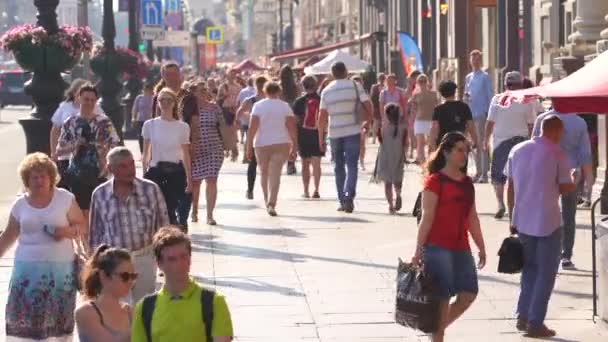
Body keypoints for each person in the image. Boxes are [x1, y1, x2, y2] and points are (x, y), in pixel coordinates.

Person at [1, 153, 86, 341]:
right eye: (34, 176)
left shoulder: (65, 198)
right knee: (24, 319)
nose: (39, 180)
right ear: (26, 179)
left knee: (57, 321)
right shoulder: (20, 204)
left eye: (43, 175)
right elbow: (9, 235)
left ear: (51, 177)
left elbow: (81, 225)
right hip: (27, 272)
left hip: (59, 272)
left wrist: (64, 232)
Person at [411, 132, 486, 342]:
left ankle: (434, 327)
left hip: (461, 246)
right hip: (436, 247)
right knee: (442, 299)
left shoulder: (467, 183)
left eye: (466, 150)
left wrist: (481, 246)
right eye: (459, 150)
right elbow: (426, 218)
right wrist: (418, 251)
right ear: (446, 152)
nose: (464, 155)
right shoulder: (435, 181)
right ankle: (437, 335)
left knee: (468, 294)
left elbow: (472, 218)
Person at [506, 115, 575, 338]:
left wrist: (511, 215)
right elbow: (565, 188)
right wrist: (574, 178)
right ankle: (535, 322)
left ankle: (523, 315)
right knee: (546, 274)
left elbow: (510, 185)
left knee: (529, 270)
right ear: (556, 131)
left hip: (523, 219)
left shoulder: (518, 149)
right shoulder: (557, 153)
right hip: (548, 221)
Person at [89, 147, 169, 304]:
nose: (129, 170)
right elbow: (95, 234)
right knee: (118, 307)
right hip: (114, 262)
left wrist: (164, 260)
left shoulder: (150, 189)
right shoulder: (100, 194)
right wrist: (95, 266)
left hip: (144, 258)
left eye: (131, 164)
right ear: (111, 169)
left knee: (144, 306)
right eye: (122, 166)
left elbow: (163, 227)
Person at [131, 227, 234, 342]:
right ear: (159, 264)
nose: (180, 264)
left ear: (190, 260)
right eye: (172, 259)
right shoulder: (144, 308)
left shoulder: (214, 302)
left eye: (184, 257)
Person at [532, 109, 592, 270]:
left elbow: (534, 147)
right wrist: (589, 188)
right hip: (570, 173)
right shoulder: (579, 122)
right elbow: (585, 155)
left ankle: (544, 252)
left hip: (546, 172)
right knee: (568, 216)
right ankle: (566, 255)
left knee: (544, 213)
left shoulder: (542, 119)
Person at [56, 84, 120, 217]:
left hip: (100, 172)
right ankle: (85, 238)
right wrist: (74, 145)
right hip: (77, 173)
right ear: (79, 98)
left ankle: (92, 237)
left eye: (92, 100)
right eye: (86, 99)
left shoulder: (104, 122)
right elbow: (59, 150)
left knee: (98, 211)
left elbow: (115, 145)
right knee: (82, 212)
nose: (89, 103)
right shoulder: (71, 122)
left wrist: (105, 152)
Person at [318, 62, 372, 213]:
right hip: (353, 130)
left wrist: (320, 138)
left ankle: (342, 200)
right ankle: (349, 196)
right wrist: (368, 121)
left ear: (332, 73)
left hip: (334, 133)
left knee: (338, 167)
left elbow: (322, 117)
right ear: (346, 71)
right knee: (352, 165)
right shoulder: (355, 86)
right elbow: (368, 104)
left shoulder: (326, 90)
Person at [484, 71, 536, 219]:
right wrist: (532, 141)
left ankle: (501, 204)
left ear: (505, 84)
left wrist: (485, 140)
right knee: (519, 177)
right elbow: (531, 124)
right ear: (521, 84)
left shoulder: (497, 99)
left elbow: (490, 122)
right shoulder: (526, 101)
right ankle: (518, 206)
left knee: (498, 176)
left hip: (501, 143)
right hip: (521, 142)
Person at [246, 82, 298, 216]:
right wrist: (295, 146)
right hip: (282, 142)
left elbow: (252, 128)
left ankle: (266, 199)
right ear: (279, 91)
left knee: (263, 172)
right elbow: (292, 128)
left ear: (264, 91)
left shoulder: (258, 106)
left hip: (262, 143)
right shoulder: (285, 106)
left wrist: (248, 147)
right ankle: (272, 202)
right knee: (275, 173)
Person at [143, 88, 192, 230]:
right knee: (158, 208)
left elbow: (185, 154)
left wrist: (189, 178)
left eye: (168, 100)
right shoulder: (150, 125)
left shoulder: (182, 127)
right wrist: (143, 174)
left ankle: (176, 230)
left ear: (174, 103)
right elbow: (146, 152)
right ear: (157, 103)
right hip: (156, 171)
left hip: (175, 171)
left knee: (173, 207)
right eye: (161, 100)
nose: (165, 103)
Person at [75, 245, 136, 342]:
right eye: (125, 276)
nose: (130, 281)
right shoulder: (85, 312)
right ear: (103, 276)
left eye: (133, 276)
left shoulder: (130, 312)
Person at [50, 78, 103, 187]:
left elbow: (104, 127)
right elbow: (55, 130)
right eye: (81, 93)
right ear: (75, 93)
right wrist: (53, 151)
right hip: (66, 155)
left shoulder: (95, 107)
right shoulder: (65, 107)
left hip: (89, 158)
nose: (87, 100)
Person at [190, 81, 226, 225]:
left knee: (211, 179)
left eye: (204, 90)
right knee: (195, 182)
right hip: (195, 149)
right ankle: (194, 211)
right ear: (193, 93)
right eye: (200, 90)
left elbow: (223, 126)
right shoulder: (188, 109)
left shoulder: (214, 108)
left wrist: (230, 145)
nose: (203, 92)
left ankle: (210, 215)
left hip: (214, 148)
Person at [464, 50, 494, 183]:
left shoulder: (484, 76)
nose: (475, 61)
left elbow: (489, 95)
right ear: (470, 61)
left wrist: (489, 113)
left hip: (481, 113)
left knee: (482, 143)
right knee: (474, 143)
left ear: (480, 61)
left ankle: (484, 173)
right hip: (471, 114)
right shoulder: (468, 77)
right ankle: (477, 171)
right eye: (473, 59)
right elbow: (466, 93)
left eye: (477, 59)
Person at [292, 75, 324, 199]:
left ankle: (306, 191)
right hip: (318, 134)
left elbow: (295, 121)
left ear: (303, 85)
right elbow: (325, 119)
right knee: (317, 163)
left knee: (305, 164)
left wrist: (294, 141)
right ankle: (316, 190)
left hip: (303, 135)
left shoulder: (299, 101)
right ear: (315, 85)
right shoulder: (321, 99)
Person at [237, 76, 268, 200]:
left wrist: (248, 116)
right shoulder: (270, 100)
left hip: (256, 134)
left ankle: (250, 190)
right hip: (267, 135)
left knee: (253, 164)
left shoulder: (251, 100)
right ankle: (268, 192)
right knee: (266, 166)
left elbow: (239, 113)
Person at [430, 81, 477, 155]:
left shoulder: (438, 109)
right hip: (460, 143)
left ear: (442, 94)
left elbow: (434, 129)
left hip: (443, 145)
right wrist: (475, 141)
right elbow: (471, 126)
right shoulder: (464, 107)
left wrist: (433, 146)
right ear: (455, 92)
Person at [375, 103, 407, 214]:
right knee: (398, 179)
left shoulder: (383, 128)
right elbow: (405, 143)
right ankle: (398, 194)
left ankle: (391, 205)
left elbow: (380, 140)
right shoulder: (403, 128)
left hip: (385, 157)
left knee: (387, 183)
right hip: (398, 156)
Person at [409, 74, 439, 164]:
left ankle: (431, 164)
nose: (422, 83)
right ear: (417, 83)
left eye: (424, 81)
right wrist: (411, 122)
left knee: (432, 144)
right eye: (420, 81)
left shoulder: (433, 94)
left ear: (427, 82)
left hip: (431, 121)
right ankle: (422, 165)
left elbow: (438, 108)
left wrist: (438, 122)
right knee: (420, 143)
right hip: (419, 121)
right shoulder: (415, 95)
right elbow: (413, 110)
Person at [217, 69, 242, 162]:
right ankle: (233, 150)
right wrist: (224, 96)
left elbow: (241, 100)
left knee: (234, 131)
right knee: (228, 131)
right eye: (231, 74)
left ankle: (233, 150)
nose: (232, 76)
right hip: (226, 109)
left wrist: (239, 108)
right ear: (227, 76)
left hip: (235, 110)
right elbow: (218, 99)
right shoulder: (223, 86)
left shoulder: (239, 87)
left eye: (234, 74)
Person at [280, 65, 300, 176]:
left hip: (282, 116)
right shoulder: (295, 87)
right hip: (293, 115)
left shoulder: (279, 87)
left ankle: (286, 159)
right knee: (293, 140)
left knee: (285, 140)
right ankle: (291, 163)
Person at [132, 82, 155, 153]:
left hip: (151, 121)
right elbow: (135, 109)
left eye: (148, 89)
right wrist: (133, 118)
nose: (146, 91)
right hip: (141, 120)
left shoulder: (153, 98)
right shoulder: (139, 98)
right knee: (141, 137)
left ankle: (150, 152)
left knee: (150, 137)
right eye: (145, 89)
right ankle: (143, 152)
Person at [237, 77, 256, 145]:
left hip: (243, 111)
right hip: (252, 112)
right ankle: (248, 141)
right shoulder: (256, 91)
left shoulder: (242, 91)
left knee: (243, 126)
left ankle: (242, 138)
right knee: (250, 128)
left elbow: (238, 101)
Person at [370, 73, 386, 144]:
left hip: (385, 108)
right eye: (380, 78)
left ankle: (384, 138)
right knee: (376, 123)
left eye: (383, 78)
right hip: (376, 107)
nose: (382, 80)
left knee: (384, 123)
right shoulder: (374, 87)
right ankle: (374, 138)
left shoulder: (387, 87)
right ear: (378, 79)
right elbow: (372, 97)